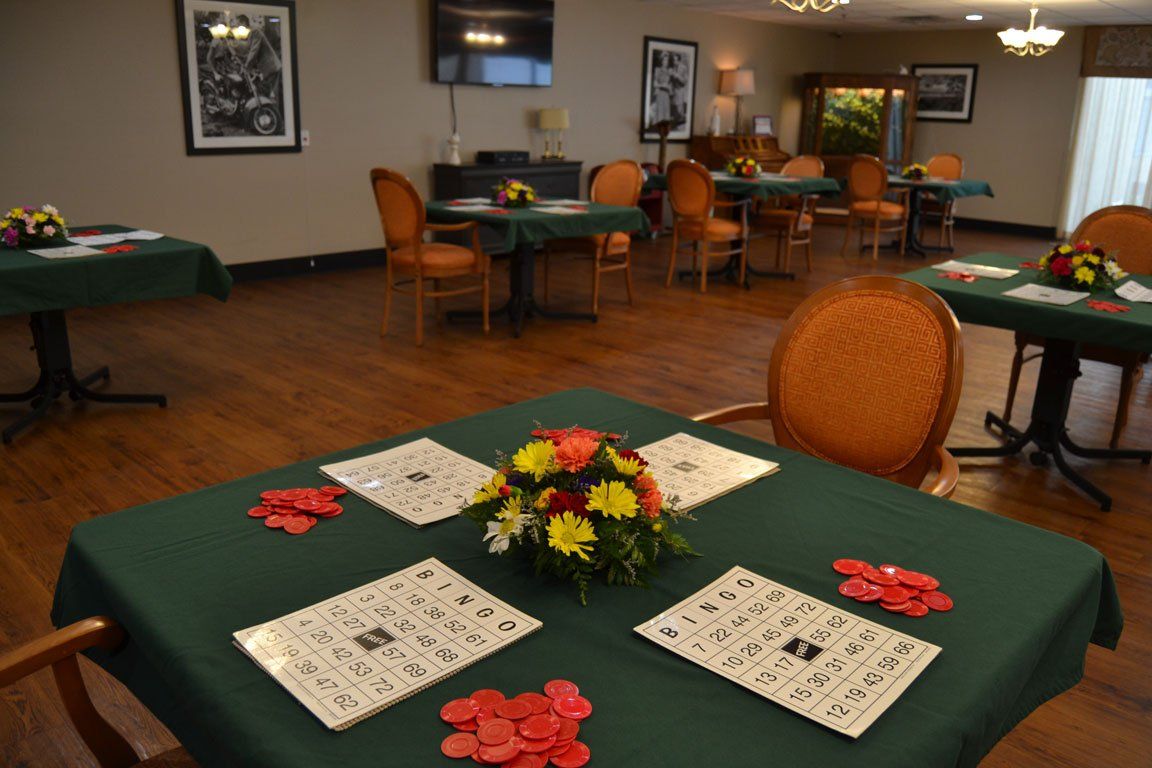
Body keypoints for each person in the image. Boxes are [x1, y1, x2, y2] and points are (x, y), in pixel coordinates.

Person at [238, 14, 282, 102]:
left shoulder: (255, 31)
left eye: (238, 24)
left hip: (270, 66)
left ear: (244, 23)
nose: (237, 27)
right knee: (268, 94)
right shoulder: (250, 33)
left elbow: (253, 51)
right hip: (268, 67)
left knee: (272, 95)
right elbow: (249, 51)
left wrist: (246, 67)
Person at [650, 52, 673, 126]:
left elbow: (670, 84)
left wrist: (670, 88)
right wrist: (662, 85)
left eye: (667, 60)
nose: (666, 62)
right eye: (664, 60)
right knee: (660, 113)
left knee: (666, 114)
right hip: (660, 93)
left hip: (667, 94)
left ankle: (665, 130)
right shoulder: (658, 70)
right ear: (661, 61)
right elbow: (654, 84)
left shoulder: (669, 71)